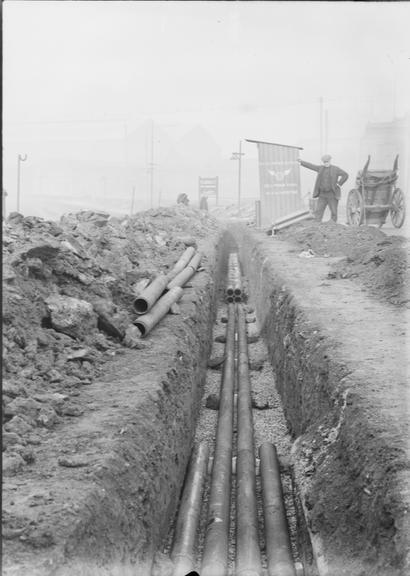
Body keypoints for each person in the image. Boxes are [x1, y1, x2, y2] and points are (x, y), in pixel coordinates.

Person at [298, 154, 348, 222]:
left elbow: (345, 175)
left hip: (332, 194)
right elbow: (311, 166)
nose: (326, 163)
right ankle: (317, 224)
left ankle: (332, 225)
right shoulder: (320, 168)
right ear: (323, 162)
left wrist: (339, 184)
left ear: (330, 161)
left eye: (327, 162)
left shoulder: (336, 169)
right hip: (322, 194)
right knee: (318, 210)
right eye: (324, 162)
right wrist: (301, 162)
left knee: (334, 211)